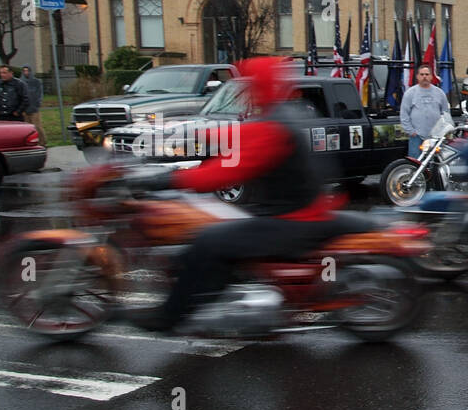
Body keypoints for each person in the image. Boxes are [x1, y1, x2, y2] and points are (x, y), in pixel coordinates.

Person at [130, 57, 353, 332]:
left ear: (261, 86)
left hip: (292, 221)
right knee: (214, 223)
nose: (248, 92)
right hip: (293, 212)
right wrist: (171, 136)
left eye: (252, 85)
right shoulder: (278, 116)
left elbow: (223, 171)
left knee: (209, 240)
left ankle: (169, 317)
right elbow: (234, 136)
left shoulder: (272, 127)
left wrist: (167, 179)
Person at [399, 65, 450, 155]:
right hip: (417, 137)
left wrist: (443, 131)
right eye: (422, 74)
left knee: (435, 163)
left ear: (431, 76)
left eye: (427, 74)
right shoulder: (410, 93)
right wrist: (411, 132)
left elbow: (446, 114)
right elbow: (404, 114)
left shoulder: (440, 93)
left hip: (435, 137)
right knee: (415, 163)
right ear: (417, 76)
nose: (424, 77)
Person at [20, 66, 45, 145]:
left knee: (37, 126)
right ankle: (29, 143)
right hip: (24, 108)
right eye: (24, 71)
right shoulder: (20, 82)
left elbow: (40, 93)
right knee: (26, 127)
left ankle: (42, 142)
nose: (26, 72)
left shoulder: (36, 81)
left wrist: (38, 103)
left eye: (27, 71)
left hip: (34, 107)